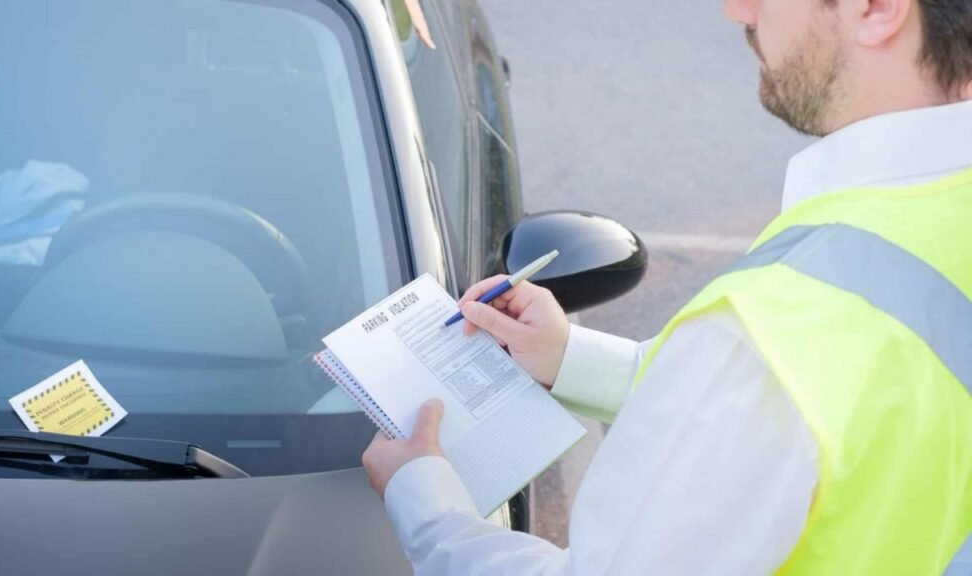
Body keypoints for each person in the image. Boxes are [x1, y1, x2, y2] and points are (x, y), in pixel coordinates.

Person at [362, 0, 972, 573]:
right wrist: (568, 358)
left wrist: (430, 511)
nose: (736, 9)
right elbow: (773, 423)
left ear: (878, 7)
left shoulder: (768, 342)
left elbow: (749, 401)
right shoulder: (929, 221)